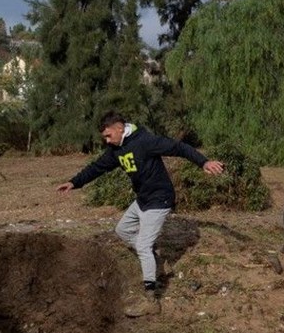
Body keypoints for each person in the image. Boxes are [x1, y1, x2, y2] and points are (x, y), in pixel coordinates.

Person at [57, 111, 225, 317]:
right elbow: (97, 167)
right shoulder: (115, 149)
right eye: (105, 137)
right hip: (143, 199)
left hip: (160, 199)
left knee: (143, 245)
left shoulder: (146, 141)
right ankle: (155, 262)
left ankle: (151, 300)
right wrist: (74, 182)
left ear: (120, 128)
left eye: (109, 135)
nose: (107, 140)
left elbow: (178, 147)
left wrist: (204, 162)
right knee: (122, 230)